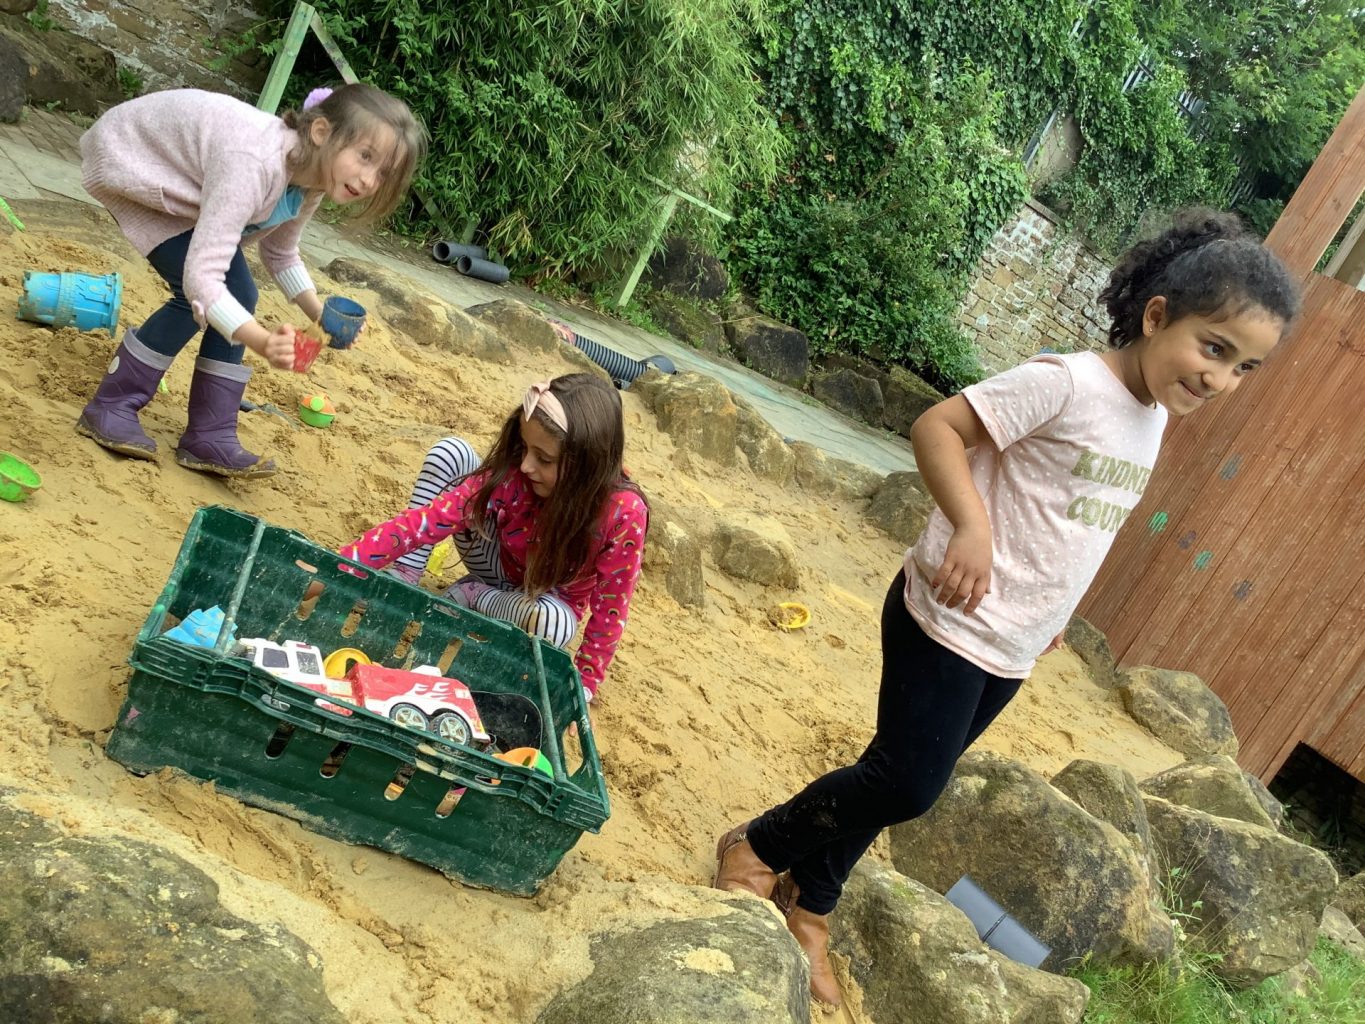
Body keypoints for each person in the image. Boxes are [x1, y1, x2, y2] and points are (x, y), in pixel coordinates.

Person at [710, 209, 1301, 1007]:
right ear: (1156, 316)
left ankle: (810, 903)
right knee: (905, 783)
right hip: (948, 616)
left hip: (1013, 643)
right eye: (1213, 348)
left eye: (1243, 368)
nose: (1219, 379)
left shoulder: (1153, 418)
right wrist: (971, 526)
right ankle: (758, 845)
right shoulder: (1066, 383)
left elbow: (1075, 525)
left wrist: (1050, 615)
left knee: (898, 777)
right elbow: (937, 427)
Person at [75, 83, 426, 478]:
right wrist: (260, 340)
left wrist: (319, 314)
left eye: (383, 172)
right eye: (365, 156)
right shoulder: (254, 164)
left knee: (240, 293)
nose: (369, 179)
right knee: (194, 299)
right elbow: (201, 279)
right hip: (135, 163)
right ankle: (112, 404)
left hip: (185, 182)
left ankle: (209, 434)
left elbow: (280, 252)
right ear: (321, 132)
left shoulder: (313, 179)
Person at [341, 373, 649, 702]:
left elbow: (610, 610)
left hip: (540, 599)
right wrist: (342, 567)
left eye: (544, 459)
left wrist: (583, 688)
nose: (526, 465)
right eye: (525, 448)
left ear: (586, 466)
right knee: (450, 453)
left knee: (555, 626)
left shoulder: (624, 514)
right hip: (495, 559)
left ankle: (474, 596)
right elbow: (425, 521)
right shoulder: (518, 474)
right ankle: (404, 575)